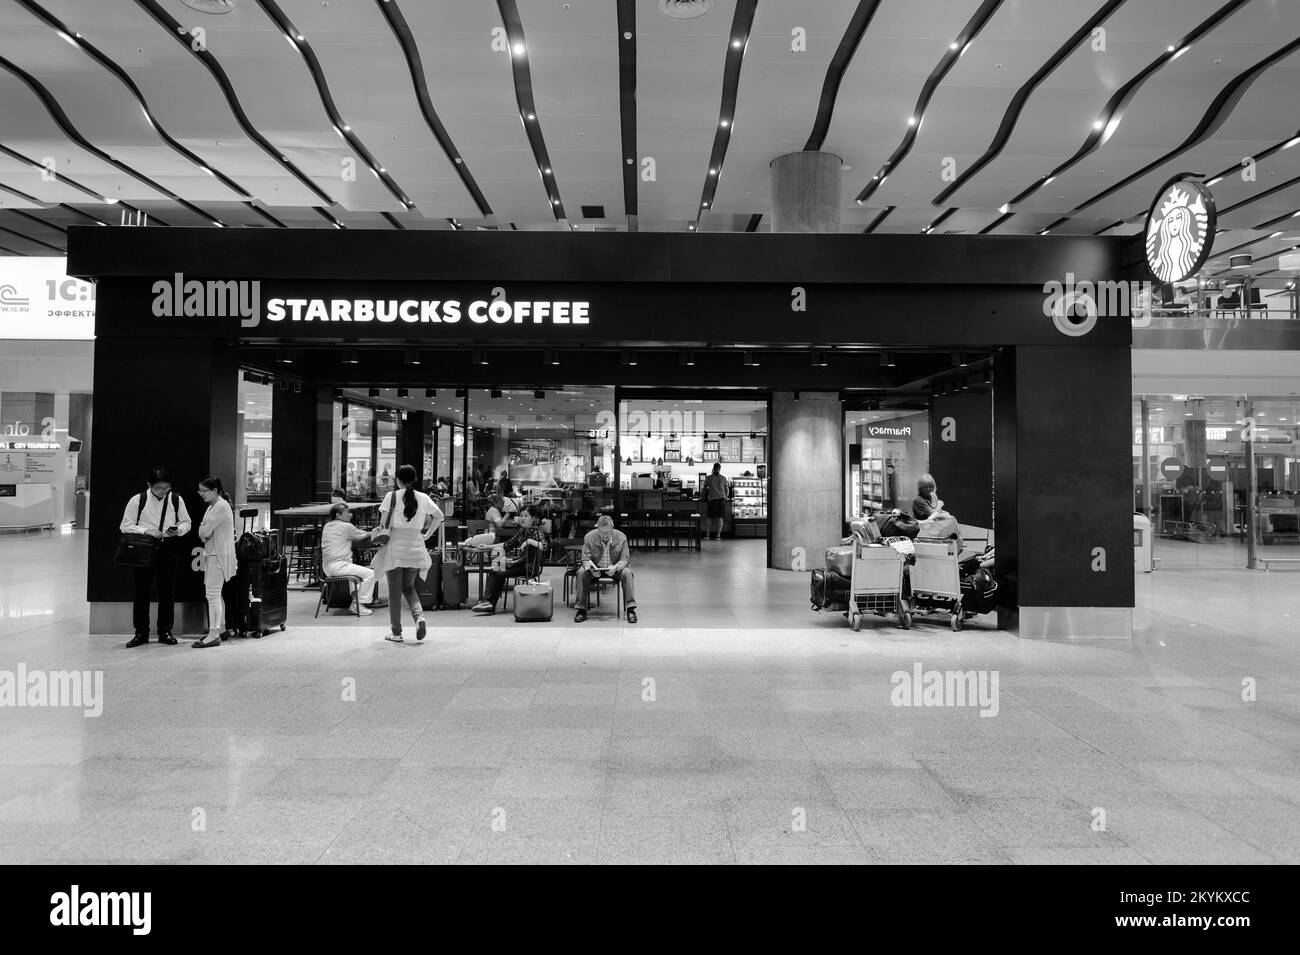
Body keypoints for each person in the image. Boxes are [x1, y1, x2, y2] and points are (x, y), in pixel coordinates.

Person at [120, 466, 192, 648]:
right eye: (159, 488)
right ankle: (141, 633)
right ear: (149, 485)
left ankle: (165, 631)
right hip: (144, 548)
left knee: (167, 592)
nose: (163, 492)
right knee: (141, 592)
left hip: (168, 548)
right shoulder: (138, 500)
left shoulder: (176, 499)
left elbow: (187, 522)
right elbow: (125, 526)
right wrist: (146, 531)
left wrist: (179, 529)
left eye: (166, 488)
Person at [373, 464, 442, 642]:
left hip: (395, 548)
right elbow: (439, 516)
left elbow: (383, 524)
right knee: (409, 588)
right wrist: (426, 535)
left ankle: (396, 632)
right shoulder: (424, 497)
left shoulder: (391, 496)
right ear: (415, 479)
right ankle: (419, 618)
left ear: (398, 480)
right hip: (415, 547)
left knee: (395, 592)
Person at [471, 509, 548, 614]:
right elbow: (507, 544)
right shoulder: (522, 531)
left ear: (534, 519)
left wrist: (529, 541)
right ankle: (487, 601)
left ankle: (490, 604)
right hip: (519, 563)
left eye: (526, 516)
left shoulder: (536, 531)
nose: (522, 518)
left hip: (528, 567)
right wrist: (488, 546)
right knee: (495, 569)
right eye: (521, 515)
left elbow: (544, 546)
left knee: (500, 573)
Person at [193, 476, 236, 648]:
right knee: (215, 594)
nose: (201, 494)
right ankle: (220, 629)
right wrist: (204, 530)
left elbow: (204, 530)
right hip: (213, 554)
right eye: (200, 491)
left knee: (212, 595)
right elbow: (202, 531)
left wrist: (204, 530)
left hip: (217, 555)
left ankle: (213, 634)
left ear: (215, 490)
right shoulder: (214, 506)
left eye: (204, 491)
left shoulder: (219, 507)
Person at [574, 514, 637, 624]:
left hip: (614, 569)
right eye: (602, 532)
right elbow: (585, 558)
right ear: (597, 529)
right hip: (595, 570)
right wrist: (590, 567)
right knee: (581, 572)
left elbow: (625, 559)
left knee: (627, 573)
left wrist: (616, 567)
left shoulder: (621, 537)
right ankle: (581, 610)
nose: (605, 535)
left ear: (612, 528)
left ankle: (631, 609)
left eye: (608, 532)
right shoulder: (589, 537)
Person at [320, 502, 377, 615]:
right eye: (347, 512)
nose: (350, 515)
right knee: (372, 574)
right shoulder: (346, 527)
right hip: (339, 566)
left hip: (327, 568)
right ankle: (358, 605)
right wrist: (377, 531)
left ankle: (356, 600)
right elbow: (363, 534)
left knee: (355, 572)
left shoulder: (327, 526)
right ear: (338, 515)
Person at [703, 462, 730, 541]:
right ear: (719, 469)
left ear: (713, 468)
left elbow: (704, 489)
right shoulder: (723, 478)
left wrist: (702, 496)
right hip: (722, 499)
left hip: (712, 499)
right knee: (720, 517)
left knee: (709, 517)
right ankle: (718, 536)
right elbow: (727, 489)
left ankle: (707, 535)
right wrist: (726, 497)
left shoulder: (708, 478)